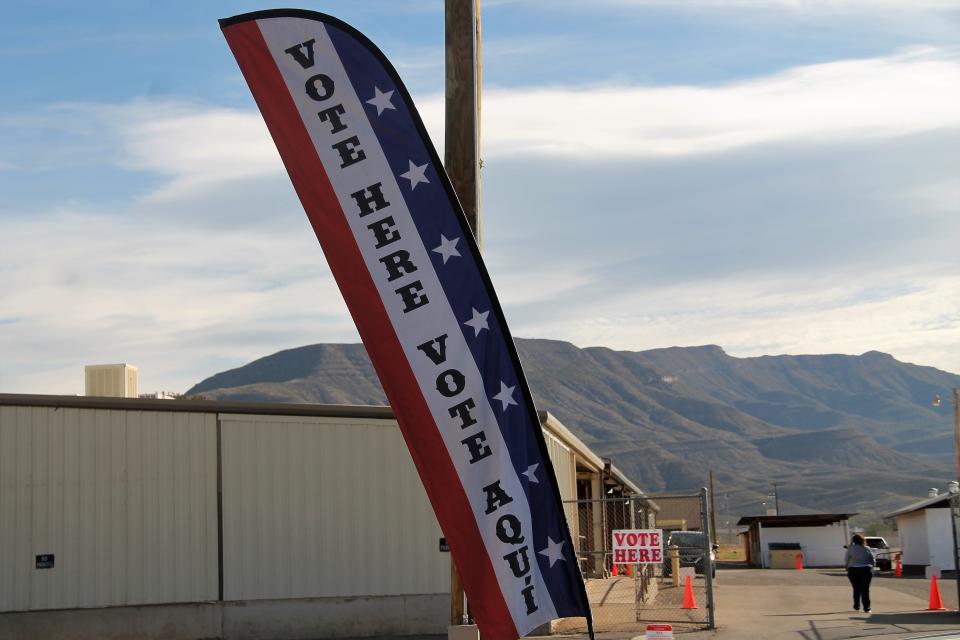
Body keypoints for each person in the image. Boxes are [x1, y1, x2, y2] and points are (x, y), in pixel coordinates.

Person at [845, 534, 876, 612]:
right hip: (865, 569)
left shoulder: (850, 549)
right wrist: (872, 566)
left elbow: (846, 559)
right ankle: (867, 608)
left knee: (856, 588)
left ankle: (856, 606)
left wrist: (847, 568)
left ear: (853, 540)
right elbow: (872, 559)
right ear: (863, 540)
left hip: (853, 570)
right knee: (865, 589)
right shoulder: (866, 548)